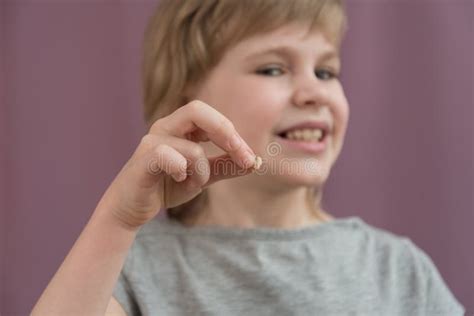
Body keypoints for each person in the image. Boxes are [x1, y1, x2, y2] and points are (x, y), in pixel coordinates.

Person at [31, 0, 466, 315]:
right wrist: (118, 219)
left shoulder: (398, 271)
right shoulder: (130, 271)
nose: (314, 92)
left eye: (327, 71)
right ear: (189, 99)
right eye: (274, 69)